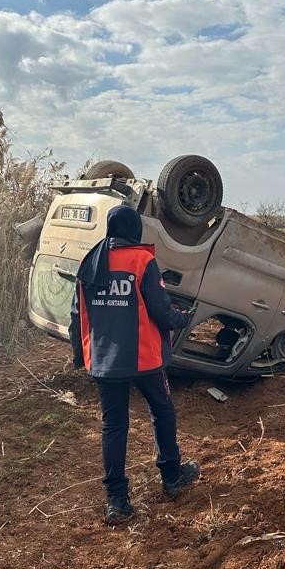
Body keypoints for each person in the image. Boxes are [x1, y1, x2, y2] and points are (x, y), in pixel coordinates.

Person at [70, 206, 200, 525]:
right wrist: (184, 319)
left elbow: (76, 315)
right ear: (135, 230)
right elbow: (160, 309)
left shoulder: (90, 262)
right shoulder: (142, 261)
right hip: (143, 359)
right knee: (162, 410)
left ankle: (116, 501)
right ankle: (171, 475)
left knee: (114, 426)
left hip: (104, 361)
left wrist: (80, 355)